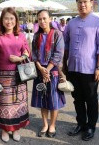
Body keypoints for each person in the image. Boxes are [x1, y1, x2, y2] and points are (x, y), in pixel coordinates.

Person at [63, 0, 99, 141]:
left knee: (91, 99)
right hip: (73, 68)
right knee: (77, 98)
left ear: (91, 3)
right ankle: (81, 123)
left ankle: (91, 126)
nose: (82, 4)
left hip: (90, 69)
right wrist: (64, 64)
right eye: (79, 2)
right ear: (77, 4)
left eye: (85, 2)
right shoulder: (71, 23)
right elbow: (66, 46)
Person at [0, 7, 30, 142]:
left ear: (16, 20)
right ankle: (5, 129)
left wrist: (19, 59)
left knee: (18, 102)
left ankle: (16, 128)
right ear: (2, 20)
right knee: (5, 104)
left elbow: (26, 52)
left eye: (12, 18)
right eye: (6, 18)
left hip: (19, 75)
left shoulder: (21, 35)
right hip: (3, 75)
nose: (9, 21)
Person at [31, 9, 66, 138]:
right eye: (39, 19)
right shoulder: (36, 36)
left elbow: (59, 53)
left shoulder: (57, 34)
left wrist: (48, 69)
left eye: (45, 18)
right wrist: (40, 68)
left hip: (54, 71)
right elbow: (33, 54)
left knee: (53, 99)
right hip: (40, 71)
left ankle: (52, 125)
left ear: (50, 19)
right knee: (42, 99)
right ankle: (45, 124)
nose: (42, 21)